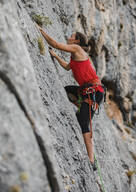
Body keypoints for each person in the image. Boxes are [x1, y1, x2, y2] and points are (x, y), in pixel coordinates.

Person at [37, 26, 104, 170]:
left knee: (83, 119)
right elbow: (67, 67)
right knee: (66, 91)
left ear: (77, 40)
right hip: (85, 90)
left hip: (94, 92)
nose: (69, 37)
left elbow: (55, 44)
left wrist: (39, 30)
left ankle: (92, 161)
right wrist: (55, 56)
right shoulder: (75, 55)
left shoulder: (77, 49)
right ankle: (83, 107)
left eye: (72, 36)